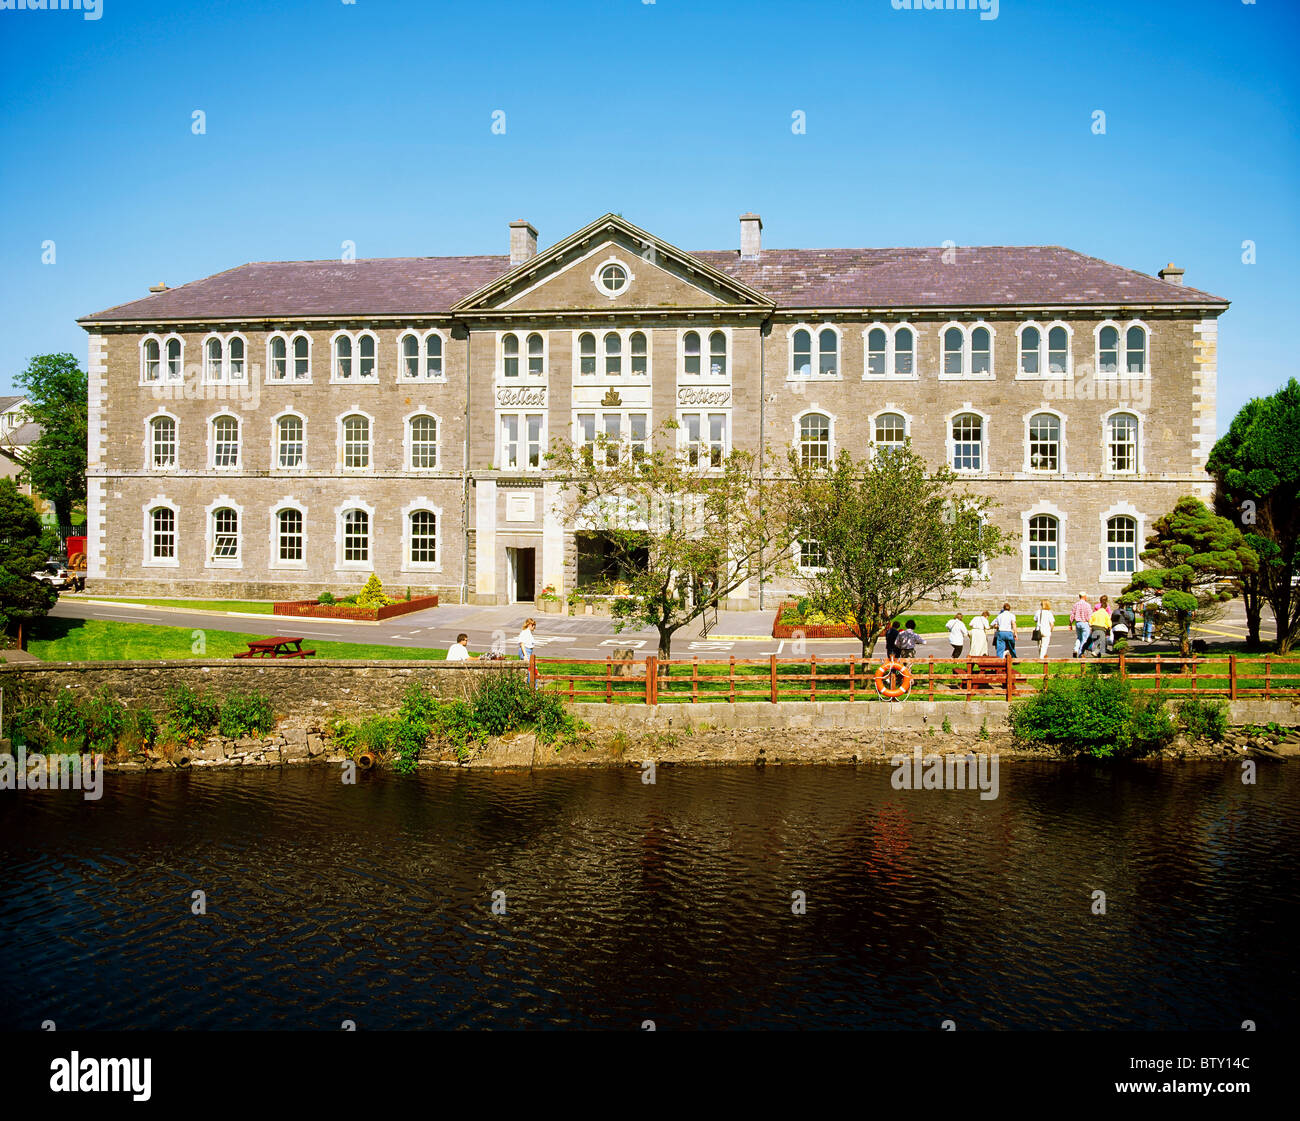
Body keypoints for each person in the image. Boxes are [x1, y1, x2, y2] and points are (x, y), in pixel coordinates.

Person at [1069, 592, 1092, 658]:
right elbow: (1089, 615)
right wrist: (1090, 623)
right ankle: (1081, 653)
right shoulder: (1087, 605)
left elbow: (1072, 614)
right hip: (1084, 623)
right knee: (1084, 639)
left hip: (1078, 623)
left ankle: (1075, 649)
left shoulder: (1076, 604)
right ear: (1085, 597)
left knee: (1079, 637)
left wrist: (1070, 623)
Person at [517, 618, 538, 683]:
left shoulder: (528, 632)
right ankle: (533, 687)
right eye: (533, 625)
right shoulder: (525, 632)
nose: (534, 627)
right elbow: (522, 644)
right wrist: (525, 655)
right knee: (532, 669)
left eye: (534, 625)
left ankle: (532, 685)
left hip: (529, 651)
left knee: (532, 669)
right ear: (529, 625)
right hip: (525, 651)